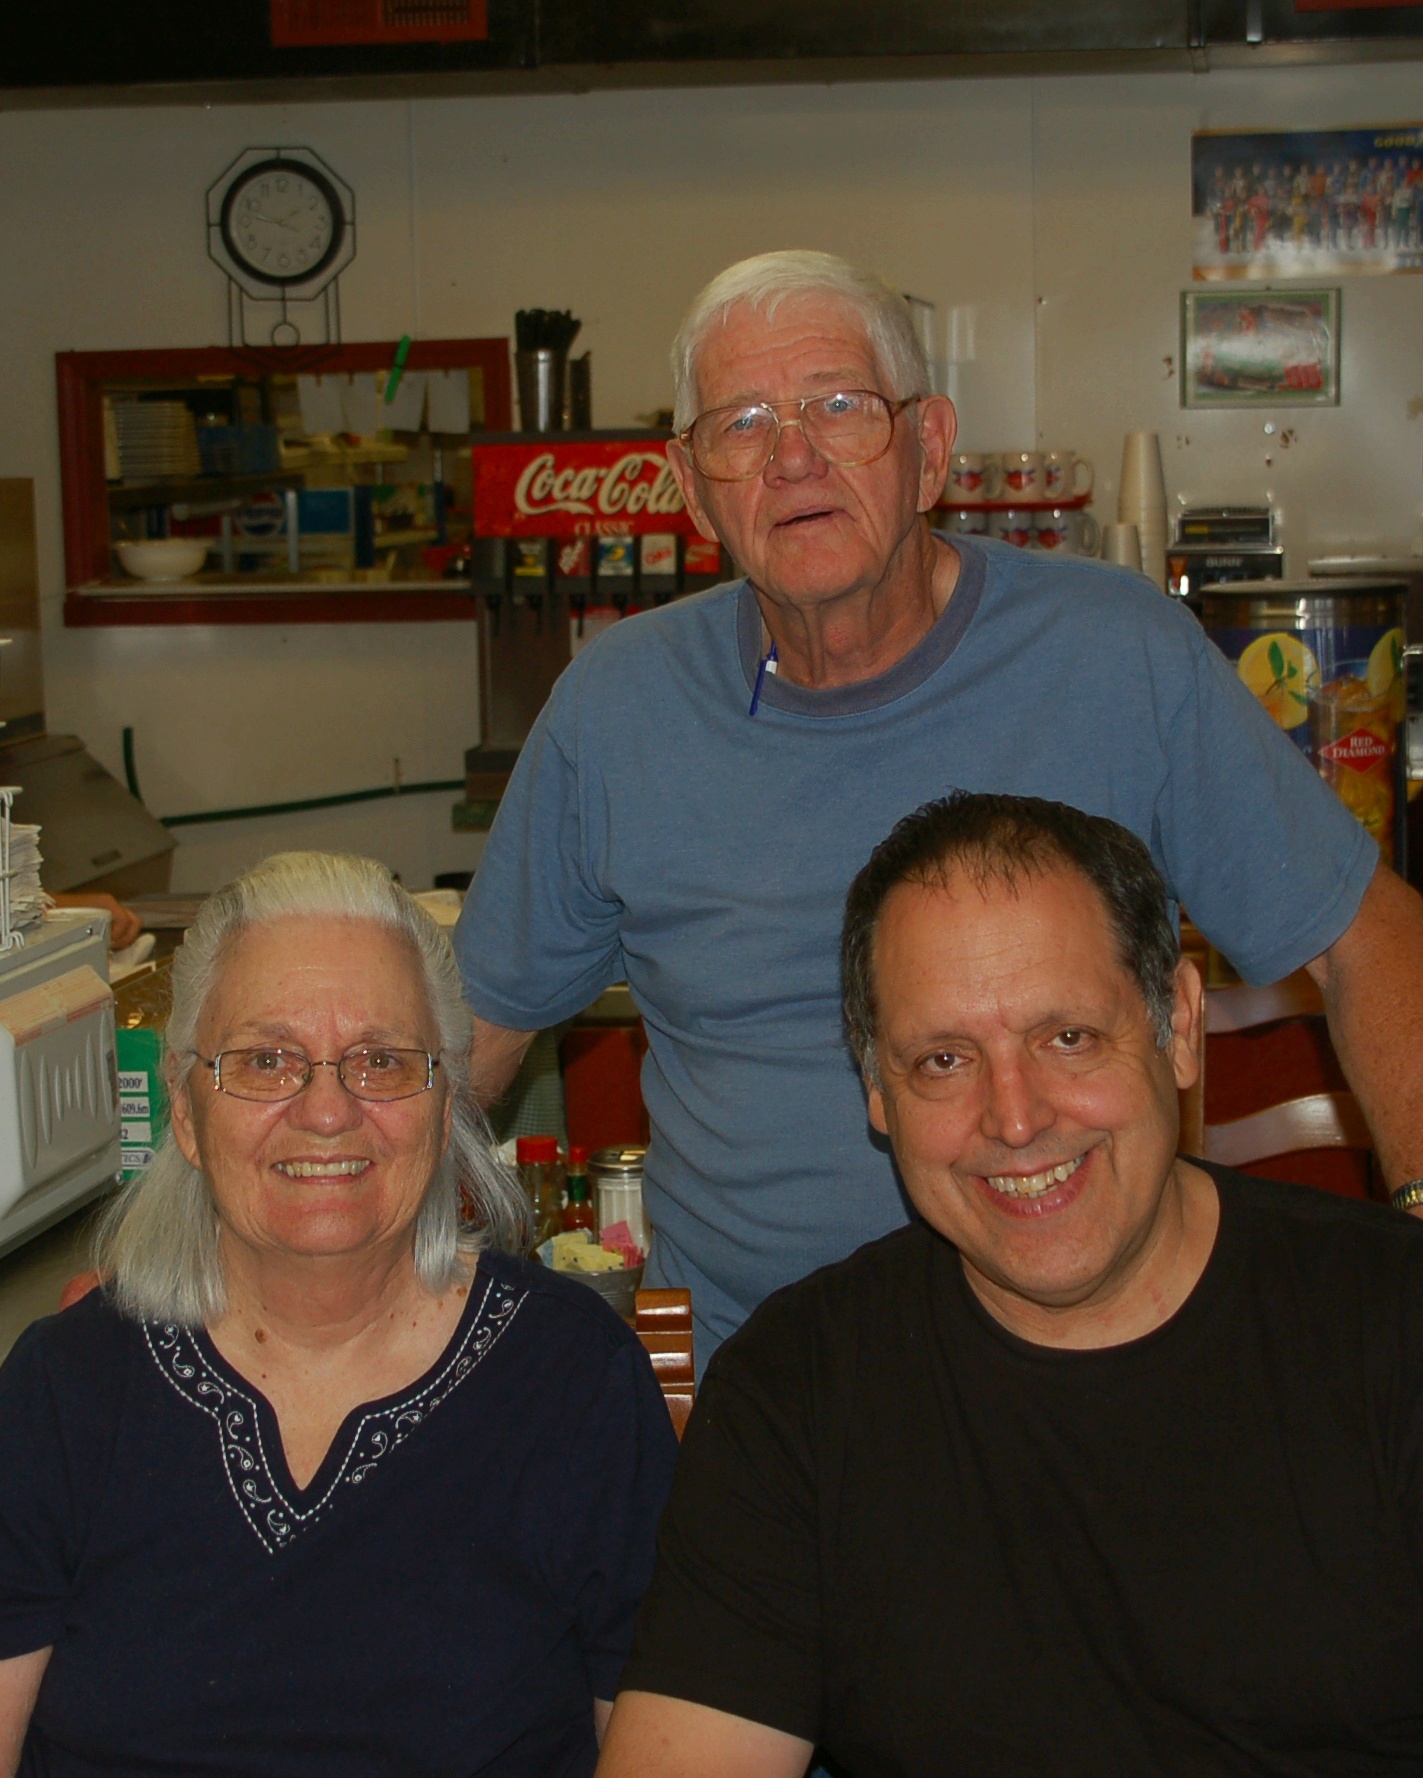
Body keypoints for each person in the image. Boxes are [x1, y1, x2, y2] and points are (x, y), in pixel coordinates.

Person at [455, 248, 1423, 1366]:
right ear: (690, 485)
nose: (792, 457)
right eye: (742, 424)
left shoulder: (1116, 656)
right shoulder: (616, 709)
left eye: (841, 407)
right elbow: (465, 1042)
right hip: (756, 1392)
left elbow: (1369, 939)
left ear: (929, 450)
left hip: (1095, 1371)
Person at [598, 793, 1423, 1778]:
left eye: (1066, 1036)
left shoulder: (1390, 1322)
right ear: (875, 1089)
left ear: (1176, 1025)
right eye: (943, 1059)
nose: (1016, 1118)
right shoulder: (797, 1388)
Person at [0, 851, 677, 1778]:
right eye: (265, 1060)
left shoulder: (572, 1380)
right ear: (187, 1114)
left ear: (446, 1108)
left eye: (381, 1061)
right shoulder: (64, 1390)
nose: (326, 1111)